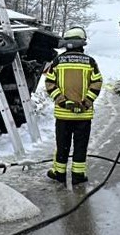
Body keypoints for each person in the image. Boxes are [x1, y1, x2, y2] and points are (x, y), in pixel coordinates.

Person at [44, 26, 103, 185]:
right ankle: (78, 175)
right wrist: (86, 102)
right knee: (80, 145)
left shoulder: (57, 62)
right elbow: (97, 82)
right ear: (82, 43)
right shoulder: (90, 62)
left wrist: (63, 102)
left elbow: (49, 83)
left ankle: (59, 173)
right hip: (83, 115)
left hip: (63, 115)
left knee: (62, 145)